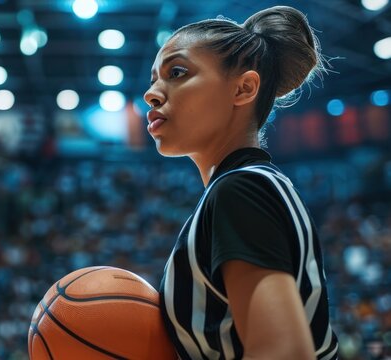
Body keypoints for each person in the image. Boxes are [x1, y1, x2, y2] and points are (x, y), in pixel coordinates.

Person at [143, 6, 339, 360]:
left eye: (177, 72)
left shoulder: (241, 191)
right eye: (154, 78)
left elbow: (284, 353)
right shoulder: (249, 186)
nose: (152, 93)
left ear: (244, 88)